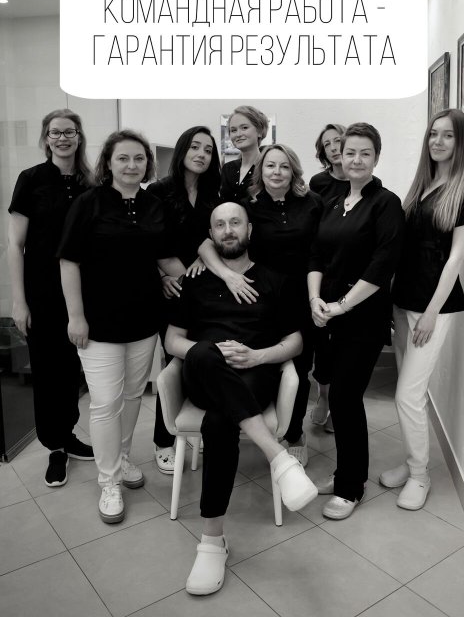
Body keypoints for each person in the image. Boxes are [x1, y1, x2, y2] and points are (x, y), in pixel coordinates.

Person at [166, 202, 318, 596]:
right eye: (220, 225)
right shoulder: (195, 281)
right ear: (211, 235)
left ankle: (212, 541)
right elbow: (172, 340)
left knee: (220, 420)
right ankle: (278, 457)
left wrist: (257, 356)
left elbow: (296, 341)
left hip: (255, 376)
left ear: (249, 229)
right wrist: (211, 353)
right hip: (203, 375)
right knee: (203, 352)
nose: (228, 230)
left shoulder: (275, 280)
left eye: (235, 222)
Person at [58, 129, 173, 524]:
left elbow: (164, 257)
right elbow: (69, 262)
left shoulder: (153, 204)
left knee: (132, 396)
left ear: (148, 164)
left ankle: (122, 458)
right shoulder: (88, 203)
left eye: (139, 158)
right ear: (108, 162)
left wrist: (215, 276)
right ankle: (108, 481)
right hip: (98, 323)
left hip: (143, 320)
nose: (131, 165)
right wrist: (76, 316)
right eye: (123, 158)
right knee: (105, 402)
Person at [380, 109, 464, 510]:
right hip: (403, 300)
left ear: (462, 142)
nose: (437, 142)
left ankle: (420, 475)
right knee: (408, 394)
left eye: (448, 136)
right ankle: (411, 464)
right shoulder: (422, 185)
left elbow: (456, 259)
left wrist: (431, 312)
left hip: (433, 307)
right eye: (433, 134)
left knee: (408, 394)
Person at [200, 144, 323, 467]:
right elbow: (208, 243)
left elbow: (320, 250)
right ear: (260, 171)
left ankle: (293, 434)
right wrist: (226, 274)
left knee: (299, 368)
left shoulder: (312, 203)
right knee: (258, 359)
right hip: (259, 294)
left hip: (303, 295)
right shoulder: (248, 206)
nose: (277, 172)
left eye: (284, 166)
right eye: (270, 166)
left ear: (293, 170)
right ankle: (244, 421)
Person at [308, 122, 405, 520]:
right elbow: (316, 254)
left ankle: (351, 487)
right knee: (337, 397)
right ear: (340, 156)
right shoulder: (333, 202)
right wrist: (315, 299)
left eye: (365, 153)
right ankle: (343, 474)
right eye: (350, 152)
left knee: (346, 399)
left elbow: (383, 264)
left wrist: (342, 306)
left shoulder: (386, 203)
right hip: (327, 315)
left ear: (376, 158)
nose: (357, 159)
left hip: (362, 319)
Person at [7, 109, 94, 487]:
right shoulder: (31, 180)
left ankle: (68, 434)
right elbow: (15, 245)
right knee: (47, 372)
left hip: (86, 293)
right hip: (42, 293)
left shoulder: (91, 182)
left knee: (73, 371)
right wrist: (19, 301)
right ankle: (55, 447)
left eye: (69, 132)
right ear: (45, 138)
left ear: (79, 137)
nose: (62, 138)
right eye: (55, 132)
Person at [147, 126, 221, 474]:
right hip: (175, 289)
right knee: (173, 364)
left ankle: (195, 428)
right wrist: (167, 277)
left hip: (204, 289)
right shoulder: (159, 191)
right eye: (195, 147)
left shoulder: (211, 194)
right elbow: (151, 243)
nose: (201, 154)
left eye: (208, 149)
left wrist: (203, 267)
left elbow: (214, 241)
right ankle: (164, 441)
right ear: (182, 150)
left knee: (201, 357)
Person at [308, 124, 348, 428]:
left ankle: (340, 402)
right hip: (322, 268)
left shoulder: (369, 183)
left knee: (344, 342)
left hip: (351, 272)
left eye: (338, 141)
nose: (334, 147)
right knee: (321, 338)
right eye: (328, 144)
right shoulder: (318, 183)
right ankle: (323, 395)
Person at [220, 105, 269, 202]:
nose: (238, 134)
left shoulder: (269, 168)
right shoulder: (227, 168)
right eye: (233, 130)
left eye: (244, 128)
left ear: (259, 131)